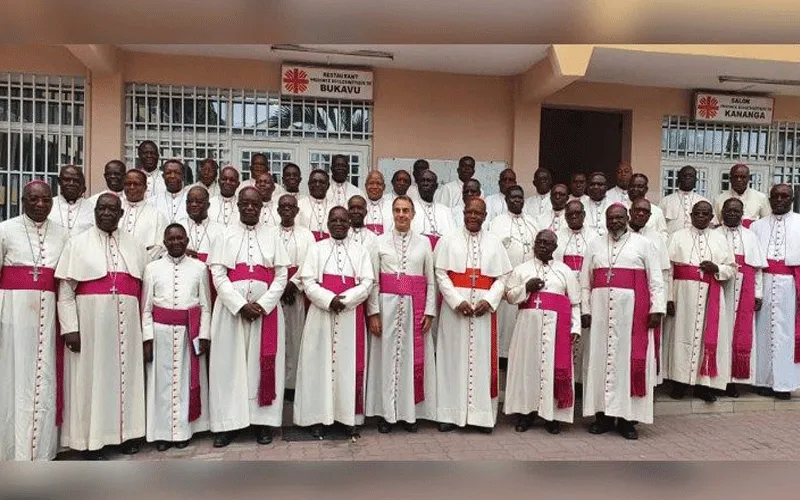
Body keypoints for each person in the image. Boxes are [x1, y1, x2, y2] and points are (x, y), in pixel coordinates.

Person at [55, 193, 148, 459]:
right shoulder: (77, 244)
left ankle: (126, 435)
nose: (107, 213)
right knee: (93, 381)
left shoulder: (135, 245)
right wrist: (70, 328)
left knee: (126, 379)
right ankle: (92, 440)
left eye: (112, 209)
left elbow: (143, 289)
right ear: (94, 212)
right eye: (102, 208)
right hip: (91, 324)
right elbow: (66, 291)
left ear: (121, 214)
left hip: (128, 326)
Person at [206, 187, 290, 448]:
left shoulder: (273, 235)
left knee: (261, 366)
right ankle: (227, 425)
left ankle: (262, 423)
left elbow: (281, 275)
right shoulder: (223, 234)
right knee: (229, 368)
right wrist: (240, 304)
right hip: (231, 314)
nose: (251, 208)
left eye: (255, 204)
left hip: (266, 314)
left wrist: (263, 304)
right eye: (246, 203)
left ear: (262, 207)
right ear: (238, 205)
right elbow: (218, 274)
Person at [581, 204, 665, 440]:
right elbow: (584, 281)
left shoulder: (644, 244)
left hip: (632, 318)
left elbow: (656, 281)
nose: (615, 222)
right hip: (600, 318)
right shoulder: (595, 244)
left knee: (627, 364)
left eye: (619, 217)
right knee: (599, 363)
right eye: (610, 218)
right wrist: (585, 310)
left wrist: (656, 309)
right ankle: (602, 417)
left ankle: (628, 420)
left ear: (627, 218)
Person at [0, 181, 69, 461]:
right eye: (33, 200)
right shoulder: (5, 229)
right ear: (23, 201)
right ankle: (11, 449)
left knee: (45, 378)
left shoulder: (62, 234)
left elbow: (64, 280)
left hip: (48, 314)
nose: (40, 205)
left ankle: (43, 450)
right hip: (13, 313)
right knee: (13, 377)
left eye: (45, 200)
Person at [294, 207, 375, 438]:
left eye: (343, 220)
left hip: (350, 317)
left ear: (350, 223)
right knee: (317, 366)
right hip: (321, 316)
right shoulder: (316, 249)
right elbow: (307, 282)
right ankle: (317, 418)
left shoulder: (360, 251)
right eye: (334, 220)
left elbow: (368, 282)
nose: (338, 224)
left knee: (347, 368)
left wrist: (346, 300)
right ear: (328, 224)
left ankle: (346, 417)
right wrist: (329, 300)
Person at [434, 198, 513, 433]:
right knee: (451, 361)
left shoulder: (494, 242)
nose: (473, 217)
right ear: (463, 213)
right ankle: (449, 414)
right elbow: (441, 273)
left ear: (485, 216)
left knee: (482, 362)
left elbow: (503, 277)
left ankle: (482, 417)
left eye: (478, 213)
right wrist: (456, 302)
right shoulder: (448, 240)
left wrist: (489, 301)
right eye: (469, 212)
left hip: (482, 311)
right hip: (454, 311)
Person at [366, 196, 437, 433]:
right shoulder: (378, 242)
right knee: (386, 361)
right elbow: (373, 280)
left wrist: (429, 311)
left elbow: (431, 281)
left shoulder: (424, 243)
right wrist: (373, 312)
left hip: (414, 309)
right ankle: (386, 414)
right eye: (397, 210)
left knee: (410, 360)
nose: (401, 215)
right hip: (387, 308)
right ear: (392, 213)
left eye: (406, 210)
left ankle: (410, 414)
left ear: (413, 214)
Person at [141, 224, 212, 451]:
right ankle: (162, 434)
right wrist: (147, 338)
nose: (175, 243)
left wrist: (204, 334)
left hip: (187, 332)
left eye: (180, 238)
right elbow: (145, 308)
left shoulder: (200, 268)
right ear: (164, 241)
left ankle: (183, 431)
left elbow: (206, 306)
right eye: (170, 239)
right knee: (161, 385)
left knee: (185, 382)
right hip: (161, 331)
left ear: (187, 240)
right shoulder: (152, 268)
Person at [504, 230, 581, 435]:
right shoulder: (522, 269)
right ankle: (526, 413)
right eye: (539, 242)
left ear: (555, 247)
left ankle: (552, 416)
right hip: (527, 330)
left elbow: (575, 303)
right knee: (527, 369)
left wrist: (576, 327)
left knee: (552, 369)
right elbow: (510, 296)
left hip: (557, 330)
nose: (543, 246)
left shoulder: (565, 271)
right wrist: (526, 288)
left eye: (548, 243)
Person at [666, 201, 735, 402]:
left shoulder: (720, 239)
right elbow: (668, 270)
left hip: (710, 295)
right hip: (683, 294)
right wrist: (669, 297)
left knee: (707, 338)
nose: (701, 217)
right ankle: (679, 382)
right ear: (691, 215)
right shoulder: (677, 236)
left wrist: (717, 269)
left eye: (706, 214)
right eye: (698, 213)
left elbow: (732, 268)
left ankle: (703, 385)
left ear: (712, 217)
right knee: (681, 336)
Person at [751, 184, 800, 400]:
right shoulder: (757, 226)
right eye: (775, 196)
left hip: (790, 285)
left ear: (792, 198)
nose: (779, 200)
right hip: (764, 282)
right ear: (769, 199)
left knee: (786, 334)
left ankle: (784, 383)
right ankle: (762, 380)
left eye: (784, 196)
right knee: (762, 332)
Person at [715, 198, 766, 398]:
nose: (732, 214)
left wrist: (758, 293)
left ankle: (732, 381)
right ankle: (716, 378)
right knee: (719, 333)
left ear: (742, 213)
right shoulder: (714, 234)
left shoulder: (751, 236)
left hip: (744, 289)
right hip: (721, 288)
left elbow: (758, 269)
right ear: (722, 212)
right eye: (728, 210)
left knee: (737, 335)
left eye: (737, 211)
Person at [488, 185, 537, 367]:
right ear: (506, 200)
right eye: (513, 197)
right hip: (505, 284)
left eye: (520, 197)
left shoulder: (533, 222)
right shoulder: (496, 223)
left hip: (527, 284)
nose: (516, 201)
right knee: (504, 330)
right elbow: (492, 254)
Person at [276, 194, 316, 400]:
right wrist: (280, 286)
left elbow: (309, 263)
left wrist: (294, 284)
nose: (287, 210)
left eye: (291, 206)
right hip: (275, 294)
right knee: (276, 339)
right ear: (277, 210)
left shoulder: (306, 235)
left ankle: (292, 385)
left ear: (297, 211)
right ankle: (276, 381)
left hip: (296, 293)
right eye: (283, 206)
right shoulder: (270, 233)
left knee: (296, 337)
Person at [554, 200, 596, 386]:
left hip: (587, 291)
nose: (573, 217)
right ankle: (565, 379)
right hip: (563, 293)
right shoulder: (557, 236)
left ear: (584, 215)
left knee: (585, 338)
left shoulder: (595, 237)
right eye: (569, 215)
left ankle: (580, 381)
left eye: (577, 214)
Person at [628, 198, 671, 384]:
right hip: (626, 295)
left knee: (647, 341)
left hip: (648, 296)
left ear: (650, 216)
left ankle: (646, 382)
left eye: (645, 212)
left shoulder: (656, 238)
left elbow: (663, 273)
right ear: (630, 211)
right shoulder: (619, 233)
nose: (640, 214)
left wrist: (660, 305)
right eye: (637, 210)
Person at [120, 169, 168, 262]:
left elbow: (160, 247)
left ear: (145, 187)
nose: (132, 187)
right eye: (128, 184)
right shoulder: (115, 210)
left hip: (144, 266)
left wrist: (139, 262)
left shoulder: (156, 215)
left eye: (136, 184)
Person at [659, 165, 712, 234]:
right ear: (678, 179)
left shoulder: (704, 202)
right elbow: (659, 225)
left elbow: (711, 226)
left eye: (691, 176)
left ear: (695, 180)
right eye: (684, 176)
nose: (687, 178)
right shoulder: (665, 201)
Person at [713, 163, 770, 228]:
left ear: (749, 179)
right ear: (730, 179)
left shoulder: (761, 198)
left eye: (743, 177)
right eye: (736, 177)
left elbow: (767, 222)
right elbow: (716, 224)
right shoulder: (719, 199)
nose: (739, 180)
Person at [411, 170, 456, 252]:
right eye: (422, 180)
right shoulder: (410, 208)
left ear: (436, 186)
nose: (425, 183)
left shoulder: (445, 211)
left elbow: (452, 238)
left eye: (429, 181)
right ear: (417, 185)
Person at [48, 165, 94, 237]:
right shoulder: (48, 205)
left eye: (76, 181)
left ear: (81, 183)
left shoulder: (92, 208)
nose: (71, 183)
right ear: (59, 181)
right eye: (67, 180)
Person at [184, 186, 225, 264]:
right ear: (186, 203)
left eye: (199, 202)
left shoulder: (220, 230)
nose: (194, 205)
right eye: (190, 201)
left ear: (208, 205)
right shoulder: (178, 227)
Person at [626, 173, 667, 238]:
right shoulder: (619, 209)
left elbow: (663, 236)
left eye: (640, 186)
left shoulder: (657, 211)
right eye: (632, 186)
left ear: (646, 189)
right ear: (628, 188)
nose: (635, 189)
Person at [297, 169, 332, 241]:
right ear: (308, 184)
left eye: (321, 182)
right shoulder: (298, 205)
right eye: (314, 181)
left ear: (328, 186)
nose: (317, 184)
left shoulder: (334, 207)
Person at [152, 160, 189, 225]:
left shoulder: (191, 200)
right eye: (168, 173)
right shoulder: (152, 202)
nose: (172, 176)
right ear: (163, 176)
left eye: (177, 173)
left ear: (183, 176)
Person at [363, 170, 393, 235]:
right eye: (371, 183)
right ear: (365, 186)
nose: (375, 187)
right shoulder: (360, 207)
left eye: (379, 183)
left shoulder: (392, 206)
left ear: (384, 187)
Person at [583, 172, 611, 238]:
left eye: (600, 184)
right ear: (587, 187)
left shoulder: (613, 205)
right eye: (592, 184)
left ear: (606, 187)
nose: (595, 187)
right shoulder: (581, 205)